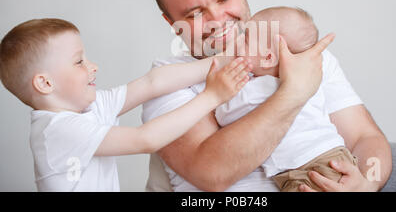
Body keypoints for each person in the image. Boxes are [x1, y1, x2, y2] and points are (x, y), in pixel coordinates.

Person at [143, 0, 392, 192]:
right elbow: (213, 174)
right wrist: (294, 92)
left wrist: (367, 183)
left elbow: (365, 138)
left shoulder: (299, 50)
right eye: (195, 14)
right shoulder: (167, 80)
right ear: (172, 22)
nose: (217, 20)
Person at [0, 18, 251, 191]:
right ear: (45, 83)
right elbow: (146, 140)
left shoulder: (88, 108)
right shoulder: (55, 131)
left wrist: (226, 58)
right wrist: (212, 97)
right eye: (79, 62)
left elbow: (151, 83)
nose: (93, 66)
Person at [216, 6, 360, 192]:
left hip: (308, 169)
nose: (238, 41)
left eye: (246, 38)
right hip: (337, 157)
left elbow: (223, 114)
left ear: (268, 58)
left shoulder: (257, 87)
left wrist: (219, 90)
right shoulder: (310, 76)